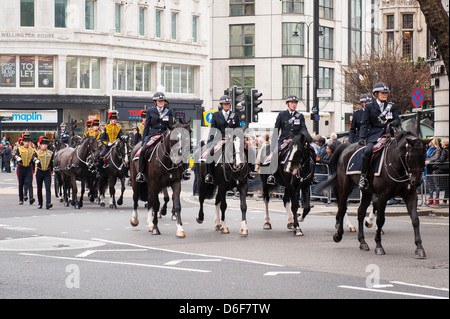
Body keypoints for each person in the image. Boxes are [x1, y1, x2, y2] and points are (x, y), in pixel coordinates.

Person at [358, 82, 401, 190]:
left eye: (386, 92)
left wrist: (396, 122)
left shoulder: (391, 106)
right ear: (376, 93)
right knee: (367, 151)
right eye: (383, 92)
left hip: (389, 134)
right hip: (374, 135)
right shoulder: (369, 106)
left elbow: (397, 119)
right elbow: (364, 123)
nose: (385, 94)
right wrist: (362, 137)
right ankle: (363, 176)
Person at [266, 95, 311, 185]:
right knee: (275, 153)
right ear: (287, 104)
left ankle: (310, 174)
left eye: (295, 103)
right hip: (284, 140)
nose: (294, 105)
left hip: (297, 141)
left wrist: (307, 137)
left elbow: (303, 128)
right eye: (292, 103)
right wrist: (274, 143)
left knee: (310, 152)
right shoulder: (282, 115)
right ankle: (272, 175)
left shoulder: (300, 116)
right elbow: (276, 129)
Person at [136, 92, 175, 182]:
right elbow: (146, 126)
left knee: (177, 150)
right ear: (155, 102)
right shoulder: (150, 111)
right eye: (159, 101)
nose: (161, 102)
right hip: (153, 134)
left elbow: (171, 125)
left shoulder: (169, 111)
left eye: (162, 101)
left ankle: (182, 171)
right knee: (143, 150)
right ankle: (140, 173)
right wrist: (144, 140)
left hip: (165, 134)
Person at [204, 94, 241, 184]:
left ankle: (247, 173)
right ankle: (209, 174)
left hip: (232, 139)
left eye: (228, 104)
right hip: (220, 138)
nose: (227, 105)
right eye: (225, 104)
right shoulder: (216, 115)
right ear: (222, 105)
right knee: (210, 153)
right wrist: (209, 142)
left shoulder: (234, 115)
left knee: (247, 150)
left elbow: (238, 129)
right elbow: (213, 130)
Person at [14, 134, 35, 205]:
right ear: (23, 142)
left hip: (28, 167)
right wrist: (18, 158)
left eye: (28, 141)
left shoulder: (31, 150)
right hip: (21, 167)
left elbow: (33, 158)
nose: (27, 143)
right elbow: (15, 155)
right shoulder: (19, 149)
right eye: (25, 141)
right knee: (21, 183)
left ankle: (31, 198)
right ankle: (21, 198)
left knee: (29, 183)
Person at [33, 136, 53, 209]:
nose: (45, 145)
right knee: (39, 188)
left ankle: (48, 203)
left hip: (47, 172)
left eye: (46, 144)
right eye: (43, 144)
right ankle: (40, 203)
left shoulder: (50, 153)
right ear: (40, 145)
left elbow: (52, 162)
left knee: (48, 188)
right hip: (40, 171)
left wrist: (53, 171)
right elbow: (33, 157)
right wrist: (35, 160)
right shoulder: (37, 152)